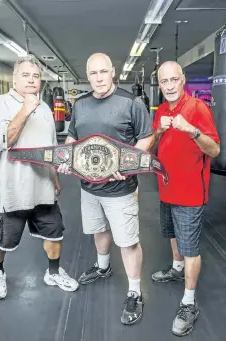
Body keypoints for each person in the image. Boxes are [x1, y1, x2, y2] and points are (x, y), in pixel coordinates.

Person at [57, 53, 154, 325]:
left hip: (121, 188)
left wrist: (127, 163)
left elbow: (148, 137)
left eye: (103, 72)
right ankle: (103, 267)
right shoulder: (81, 103)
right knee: (98, 230)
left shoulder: (131, 102)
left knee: (128, 241)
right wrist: (66, 158)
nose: (99, 78)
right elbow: (72, 137)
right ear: (88, 76)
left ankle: (135, 290)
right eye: (93, 73)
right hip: (89, 187)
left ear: (113, 72)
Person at [0, 54, 79, 300]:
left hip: (43, 186)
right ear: (15, 78)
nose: (31, 80)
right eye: (25, 75)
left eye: (36, 76)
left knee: (55, 232)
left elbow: (50, 147)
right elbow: (3, 140)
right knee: (1, 238)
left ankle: (53, 272)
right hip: (12, 188)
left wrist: (56, 178)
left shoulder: (47, 108)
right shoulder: (1, 103)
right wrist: (26, 109)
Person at [150, 61, 220, 337]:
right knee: (171, 234)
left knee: (190, 246)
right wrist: (159, 130)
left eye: (173, 80)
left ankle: (189, 303)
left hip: (190, 192)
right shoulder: (162, 111)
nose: (168, 86)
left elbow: (214, 150)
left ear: (183, 80)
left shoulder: (198, 109)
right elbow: (155, 144)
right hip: (166, 188)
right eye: (164, 81)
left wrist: (192, 130)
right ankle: (176, 268)